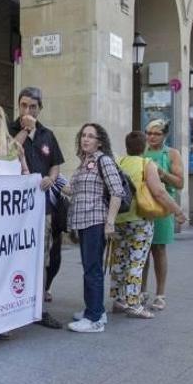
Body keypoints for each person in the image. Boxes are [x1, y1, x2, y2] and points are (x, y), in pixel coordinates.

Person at [110, 131, 185, 319]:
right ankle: (133, 303)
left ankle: (119, 300)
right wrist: (177, 210)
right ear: (143, 147)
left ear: (126, 146)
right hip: (139, 220)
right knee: (136, 260)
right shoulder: (146, 164)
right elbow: (159, 192)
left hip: (119, 219)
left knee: (120, 260)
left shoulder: (119, 163)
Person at [7, 87, 65, 327]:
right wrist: (24, 130)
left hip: (41, 207)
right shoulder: (9, 131)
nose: (27, 110)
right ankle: (10, 303)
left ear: (40, 109)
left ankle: (38, 305)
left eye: (33, 106)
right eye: (23, 105)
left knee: (41, 253)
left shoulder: (47, 135)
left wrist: (51, 178)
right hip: (13, 208)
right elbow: (7, 154)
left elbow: (55, 164)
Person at [66, 123, 124, 333]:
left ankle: (95, 319)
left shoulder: (103, 160)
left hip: (96, 221)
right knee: (89, 268)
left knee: (93, 270)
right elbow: (73, 189)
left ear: (100, 141)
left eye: (91, 136)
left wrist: (110, 222)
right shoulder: (85, 162)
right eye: (83, 135)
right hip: (82, 222)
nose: (86, 139)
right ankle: (94, 308)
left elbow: (117, 191)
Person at [140, 119, 184, 311]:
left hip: (162, 207)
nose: (151, 137)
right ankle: (141, 291)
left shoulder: (172, 154)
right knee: (142, 251)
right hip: (142, 206)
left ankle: (160, 294)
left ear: (164, 135)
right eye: (148, 133)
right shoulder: (141, 152)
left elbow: (180, 183)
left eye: (156, 133)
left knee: (158, 250)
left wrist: (162, 174)